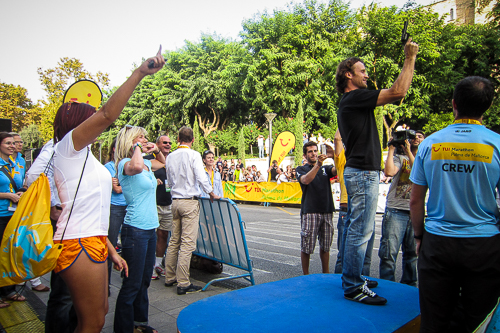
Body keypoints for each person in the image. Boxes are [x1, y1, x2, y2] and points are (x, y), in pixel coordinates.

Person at [50, 50, 163, 333]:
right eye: (90, 119)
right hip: (78, 242)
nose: (98, 125)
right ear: (76, 122)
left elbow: (90, 210)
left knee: (98, 316)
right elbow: (108, 114)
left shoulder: (86, 155)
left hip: (96, 241)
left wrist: (110, 249)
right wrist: (139, 73)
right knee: (91, 323)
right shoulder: (68, 147)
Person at [410, 76, 500, 332]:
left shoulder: (429, 143)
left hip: (438, 243)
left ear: (453, 104)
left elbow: (416, 200)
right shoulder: (496, 144)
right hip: (484, 245)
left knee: (434, 319)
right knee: (479, 320)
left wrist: (419, 237)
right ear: (488, 106)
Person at [336, 38, 418, 305]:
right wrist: (409, 57)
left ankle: (353, 276)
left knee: (354, 228)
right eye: (362, 71)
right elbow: (398, 91)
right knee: (361, 229)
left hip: (359, 172)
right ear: (349, 75)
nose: (367, 75)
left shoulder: (351, 101)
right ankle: (352, 286)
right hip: (361, 174)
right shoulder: (355, 97)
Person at [113, 125, 165, 333]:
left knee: (144, 280)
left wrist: (156, 149)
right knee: (132, 283)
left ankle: (139, 324)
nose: (144, 139)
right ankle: (123, 329)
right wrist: (137, 147)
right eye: (140, 137)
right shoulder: (126, 163)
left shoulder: (144, 163)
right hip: (134, 230)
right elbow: (134, 167)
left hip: (149, 229)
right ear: (130, 141)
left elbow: (162, 163)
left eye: (144, 137)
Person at [164, 127, 220, 295]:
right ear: (193, 140)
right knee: (188, 243)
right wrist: (211, 192)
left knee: (174, 241)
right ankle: (183, 282)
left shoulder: (171, 156)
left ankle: (169, 276)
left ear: (178, 138)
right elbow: (201, 176)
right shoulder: (194, 155)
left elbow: (169, 180)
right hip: (189, 201)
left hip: (175, 200)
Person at [378, 130, 424, 287]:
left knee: (412, 255)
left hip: (415, 212)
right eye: (413, 136)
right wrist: (391, 149)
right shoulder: (399, 158)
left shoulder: (426, 158)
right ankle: (388, 287)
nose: (415, 139)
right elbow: (389, 172)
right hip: (396, 209)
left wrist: (409, 152)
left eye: (419, 137)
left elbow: (420, 171)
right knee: (388, 254)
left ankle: (409, 287)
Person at [296, 141, 335, 275]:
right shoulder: (301, 169)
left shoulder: (326, 168)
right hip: (310, 211)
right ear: (305, 155)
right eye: (310, 152)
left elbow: (339, 170)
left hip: (327, 210)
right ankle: (306, 275)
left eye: (315, 151)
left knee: (325, 246)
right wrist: (318, 164)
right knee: (307, 247)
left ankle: (326, 274)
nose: (313, 153)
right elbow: (306, 180)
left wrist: (335, 156)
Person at [0, 132, 25, 308]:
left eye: (12, 143)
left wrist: (22, 191)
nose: (12, 146)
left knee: (11, 253)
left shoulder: (16, 163)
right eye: (7, 143)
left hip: (14, 214)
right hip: (0, 214)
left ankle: (9, 290)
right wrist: (8, 195)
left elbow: (22, 183)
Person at [148, 135, 173, 280]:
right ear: (157, 144)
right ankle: (150, 266)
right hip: (153, 203)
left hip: (168, 203)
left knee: (163, 235)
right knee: (152, 236)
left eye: (170, 143)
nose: (168, 145)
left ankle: (158, 264)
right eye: (165, 142)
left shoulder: (172, 159)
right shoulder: (149, 159)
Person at [104, 138, 128, 286]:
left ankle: (126, 278)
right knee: (110, 244)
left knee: (128, 244)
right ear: (114, 149)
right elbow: (117, 190)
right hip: (114, 208)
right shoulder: (109, 167)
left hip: (128, 207)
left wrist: (121, 186)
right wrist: (124, 186)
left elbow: (120, 187)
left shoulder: (127, 164)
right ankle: (105, 284)